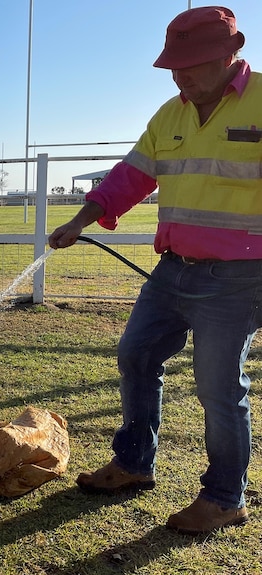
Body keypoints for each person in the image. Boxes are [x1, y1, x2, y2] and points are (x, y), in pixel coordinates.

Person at [49, 6, 261, 535]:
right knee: (136, 356)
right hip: (172, 271)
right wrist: (81, 219)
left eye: (190, 63)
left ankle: (224, 497)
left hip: (240, 278)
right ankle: (133, 464)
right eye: (173, 64)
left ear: (229, 53)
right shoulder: (171, 114)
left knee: (217, 386)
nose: (179, 73)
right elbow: (130, 176)